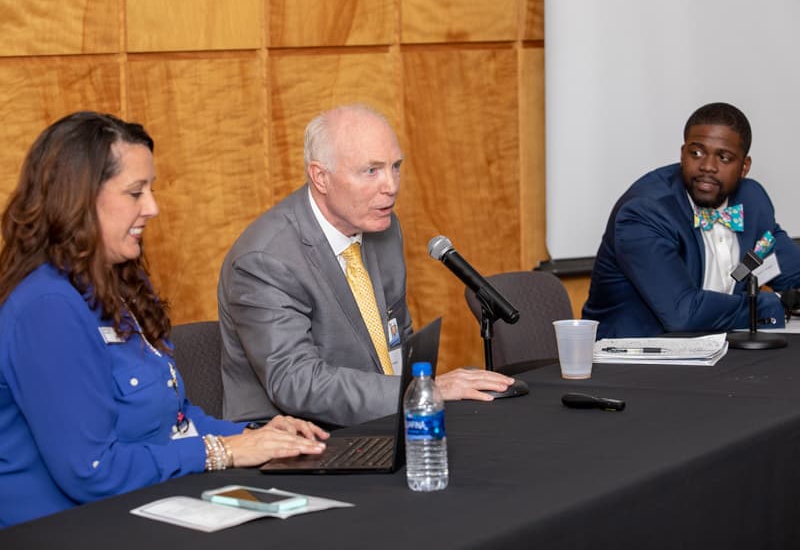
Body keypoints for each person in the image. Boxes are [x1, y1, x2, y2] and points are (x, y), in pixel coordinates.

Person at [0, 112, 328, 528]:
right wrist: (223, 452)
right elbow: (92, 471)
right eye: (135, 192)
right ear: (77, 199)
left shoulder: (116, 282)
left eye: (150, 190)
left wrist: (252, 435)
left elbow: (171, 420)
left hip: (138, 509)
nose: (152, 208)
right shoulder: (47, 308)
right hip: (65, 528)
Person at [218, 104, 513, 427]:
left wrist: (419, 399)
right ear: (320, 177)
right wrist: (421, 391)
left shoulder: (383, 229)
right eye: (371, 171)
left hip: (379, 423)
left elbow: (396, 337)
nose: (391, 186)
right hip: (292, 440)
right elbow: (297, 382)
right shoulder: (265, 259)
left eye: (395, 167)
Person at [583, 102, 800, 339]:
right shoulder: (645, 211)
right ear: (682, 153)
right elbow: (683, 314)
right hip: (630, 360)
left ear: (744, 166)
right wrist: (776, 304)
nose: (707, 166)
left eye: (724, 157)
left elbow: (790, 270)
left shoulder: (751, 200)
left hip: (719, 352)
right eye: (696, 153)